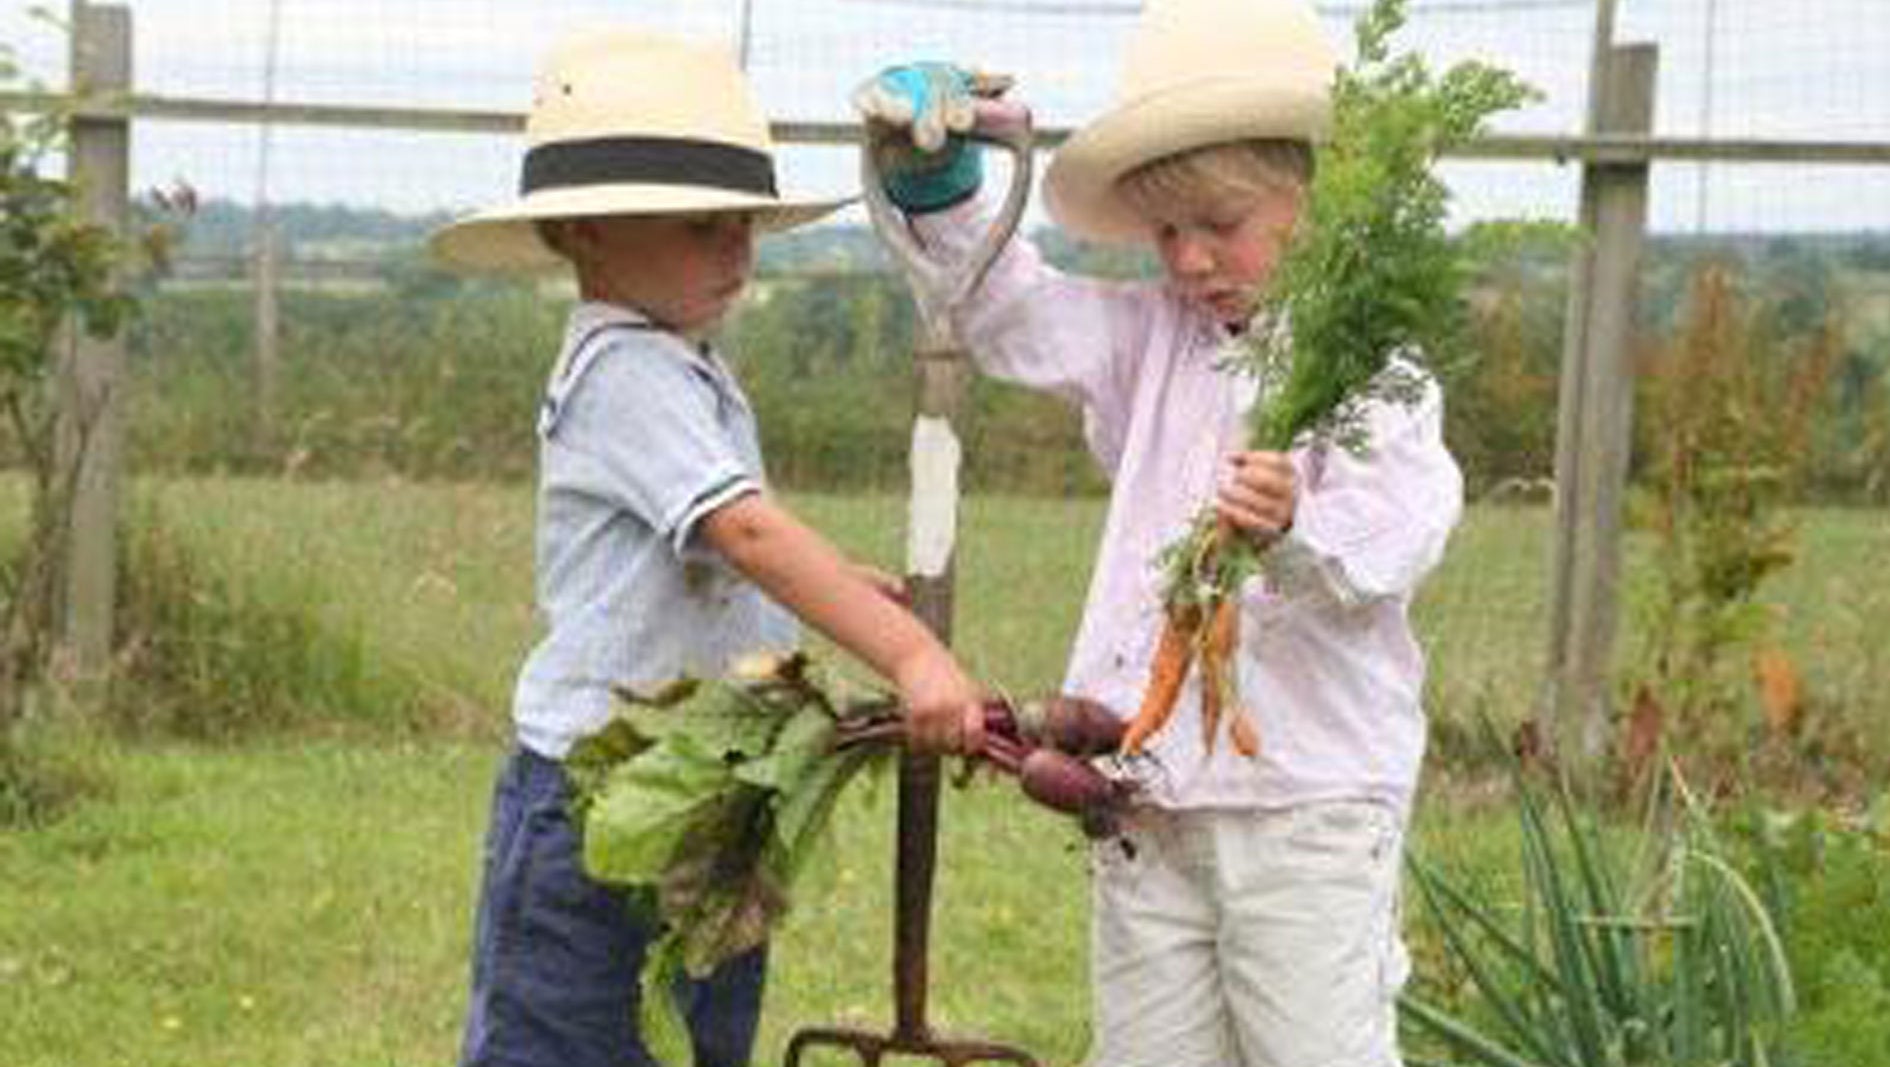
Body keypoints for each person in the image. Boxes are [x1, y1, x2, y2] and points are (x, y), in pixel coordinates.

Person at [853, 0, 1463, 1063]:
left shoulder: (1373, 371)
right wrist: (939, 188)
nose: (1186, 260)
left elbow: (1399, 533)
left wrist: (1293, 524)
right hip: (1148, 791)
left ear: (1313, 201)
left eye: (1217, 226)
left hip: (1304, 803)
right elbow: (1008, 311)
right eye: (1165, 232)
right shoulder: (1148, 340)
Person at [431, 29, 989, 1067]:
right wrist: (908, 654)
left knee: (693, 1039)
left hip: (700, 787)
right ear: (588, 233)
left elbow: (717, 547)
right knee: (564, 1038)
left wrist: (841, 589)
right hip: (595, 801)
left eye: (744, 224)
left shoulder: (682, 364)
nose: (735, 252)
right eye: (700, 227)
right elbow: (743, 527)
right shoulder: (624, 370)